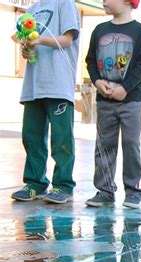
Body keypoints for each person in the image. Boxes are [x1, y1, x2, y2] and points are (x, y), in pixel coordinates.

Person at [10, 0, 80, 204]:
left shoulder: (64, 4)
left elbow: (67, 40)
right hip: (33, 85)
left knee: (62, 138)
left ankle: (63, 185)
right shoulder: (32, 9)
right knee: (31, 136)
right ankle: (35, 183)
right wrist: (26, 50)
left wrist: (39, 40)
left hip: (58, 84)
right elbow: (26, 46)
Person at [85, 0, 141, 209]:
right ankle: (104, 190)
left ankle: (133, 191)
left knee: (131, 143)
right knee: (104, 145)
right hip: (105, 100)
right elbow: (90, 61)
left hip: (131, 99)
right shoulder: (99, 30)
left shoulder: (140, 31)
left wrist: (125, 88)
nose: (104, 0)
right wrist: (97, 81)